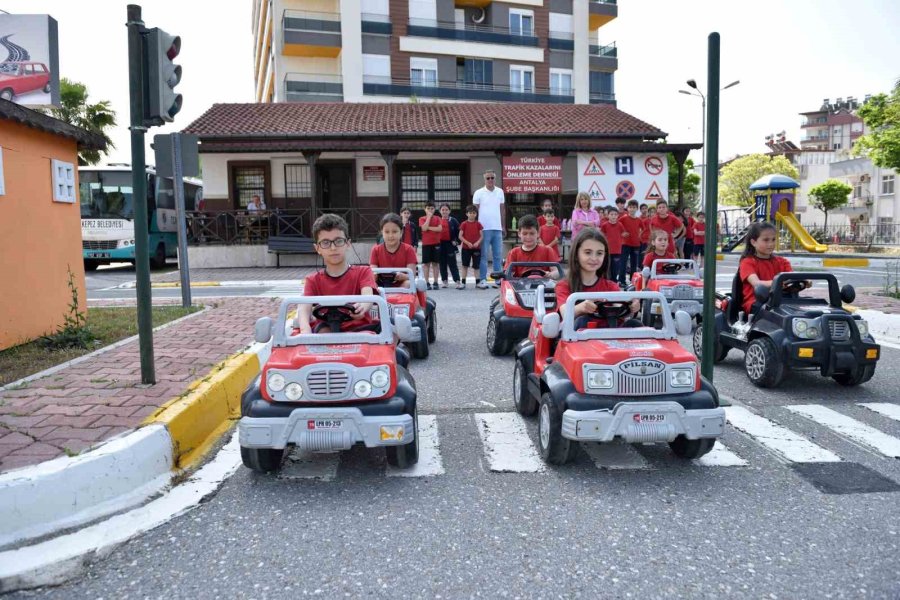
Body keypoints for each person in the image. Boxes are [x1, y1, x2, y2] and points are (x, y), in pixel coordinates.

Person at [298, 214, 376, 334]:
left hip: (361, 329)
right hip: (327, 330)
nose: (333, 248)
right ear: (317, 248)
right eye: (325, 243)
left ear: (348, 244)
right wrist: (305, 329)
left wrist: (363, 306)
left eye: (338, 241)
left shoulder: (363, 272)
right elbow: (304, 307)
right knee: (322, 331)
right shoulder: (312, 280)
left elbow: (368, 296)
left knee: (390, 330)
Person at [556, 227, 641, 330]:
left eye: (599, 253)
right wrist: (581, 307)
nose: (594, 258)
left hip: (609, 338)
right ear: (576, 254)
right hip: (579, 340)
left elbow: (621, 308)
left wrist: (632, 306)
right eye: (588, 252)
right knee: (582, 321)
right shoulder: (564, 286)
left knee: (635, 324)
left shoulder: (610, 286)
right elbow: (565, 312)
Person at [739, 221, 797, 317]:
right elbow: (756, 283)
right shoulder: (747, 262)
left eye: (773, 240)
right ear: (753, 242)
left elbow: (791, 278)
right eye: (766, 240)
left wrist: (803, 281)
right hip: (757, 302)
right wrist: (778, 283)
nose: (771, 244)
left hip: (782, 301)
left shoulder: (782, 261)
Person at [474, 170, 506, 289]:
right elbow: (474, 212)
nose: (490, 180)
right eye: (488, 178)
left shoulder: (500, 192)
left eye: (492, 177)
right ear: (484, 179)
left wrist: (503, 225)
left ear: (495, 178)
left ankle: (497, 279)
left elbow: (502, 210)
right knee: (484, 255)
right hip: (484, 229)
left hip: (497, 228)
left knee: (497, 255)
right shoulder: (478, 193)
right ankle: (483, 279)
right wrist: (476, 228)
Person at [370, 213, 418, 289]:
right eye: (387, 232)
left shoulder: (409, 249)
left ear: (401, 232)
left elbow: (412, 275)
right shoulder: (375, 250)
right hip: (381, 286)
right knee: (368, 287)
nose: (390, 235)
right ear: (382, 232)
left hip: (402, 285)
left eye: (394, 232)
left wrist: (402, 276)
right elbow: (373, 272)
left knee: (409, 284)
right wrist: (374, 275)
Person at [458, 204, 483, 289]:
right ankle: (463, 283)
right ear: (467, 214)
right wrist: (467, 243)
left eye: (474, 213)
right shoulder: (463, 224)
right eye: (470, 213)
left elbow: (481, 236)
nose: (472, 214)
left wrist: (477, 242)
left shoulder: (478, 224)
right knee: (465, 265)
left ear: (476, 214)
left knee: (476, 266)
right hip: (466, 248)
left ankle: (478, 282)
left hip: (476, 248)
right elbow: (460, 236)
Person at [419, 201, 442, 290]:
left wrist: (428, 228)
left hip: (436, 243)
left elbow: (439, 229)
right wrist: (428, 218)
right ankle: (427, 282)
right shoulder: (422, 218)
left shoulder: (438, 218)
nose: (430, 210)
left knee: (435, 263)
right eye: (428, 208)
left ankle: (436, 282)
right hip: (426, 244)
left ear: (434, 209)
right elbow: (423, 228)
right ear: (425, 209)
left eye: (432, 208)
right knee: (426, 264)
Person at [601, 208, 627, 287]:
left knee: (615, 269)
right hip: (607, 251)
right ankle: (606, 283)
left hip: (617, 251)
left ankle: (614, 283)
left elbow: (624, 233)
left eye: (615, 215)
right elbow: (601, 235)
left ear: (618, 216)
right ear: (608, 215)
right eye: (611, 214)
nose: (613, 216)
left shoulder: (620, 225)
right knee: (607, 267)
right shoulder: (604, 225)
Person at [619, 199, 643, 283]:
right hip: (625, 244)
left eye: (634, 207)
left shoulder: (639, 220)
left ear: (637, 209)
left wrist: (639, 236)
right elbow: (617, 225)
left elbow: (643, 229)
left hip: (636, 244)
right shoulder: (623, 218)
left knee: (634, 264)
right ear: (627, 208)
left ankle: (633, 281)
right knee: (623, 263)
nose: (632, 209)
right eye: (630, 207)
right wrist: (622, 233)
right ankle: (621, 281)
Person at [438, 204, 461, 289]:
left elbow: (459, 232)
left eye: (446, 210)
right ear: (440, 211)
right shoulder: (437, 220)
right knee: (442, 264)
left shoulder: (453, 221)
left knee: (452, 263)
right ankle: (444, 281)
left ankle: (457, 281)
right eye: (443, 210)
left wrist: (457, 242)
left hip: (450, 245)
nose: (444, 211)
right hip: (440, 245)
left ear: (449, 211)